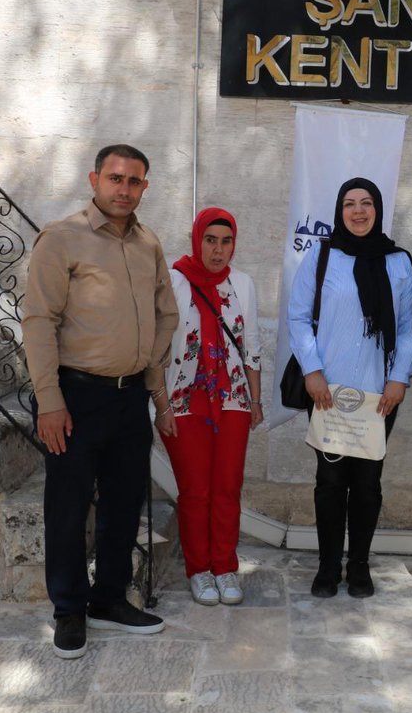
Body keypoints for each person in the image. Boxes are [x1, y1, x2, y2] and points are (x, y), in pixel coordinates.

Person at [22, 144, 178, 659]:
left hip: (130, 397)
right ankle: (69, 609)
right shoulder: (61, 238)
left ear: (145, 187)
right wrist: (49, 400)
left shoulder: (148, 243)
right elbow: (39, 321)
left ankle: (109, 597)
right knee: (68, 509)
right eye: (115, 178)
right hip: (75, 397)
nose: (123, 189)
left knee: (124, 504)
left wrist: (154, 384)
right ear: (94, 180)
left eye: (134, 181)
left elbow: (165, 315)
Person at [290, 178, 412, 599]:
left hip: (379, 396)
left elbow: (409, 327)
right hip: (327, 393)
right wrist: (312, 371)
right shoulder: (322, 255)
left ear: (378, 209)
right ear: (339, 210)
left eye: (366, 203)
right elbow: (297, 317)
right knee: (329, 482)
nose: (358, 211)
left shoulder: (398, 262)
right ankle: (328, 566)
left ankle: (359, 565)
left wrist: (399, 378)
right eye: (349, 204)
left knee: (367, 484)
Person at [156, 208, 262, 607]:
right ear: (196, 240)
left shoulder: (243, 284)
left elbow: (251, 346)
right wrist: (161, 406)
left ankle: (225, 567)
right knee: (195, 491)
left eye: (226, 242)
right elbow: (157, 349)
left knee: (227, 487)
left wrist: (255, 400)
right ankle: (199, 570)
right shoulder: (173, 280)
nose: (218, 251)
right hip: (183, 400)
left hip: (232, 398)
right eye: (210, 240)